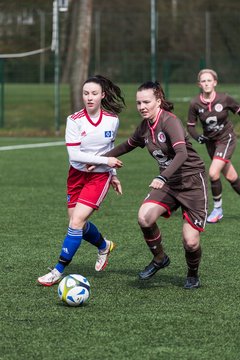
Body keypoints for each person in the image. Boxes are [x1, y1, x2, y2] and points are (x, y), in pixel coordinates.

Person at [102, 81, 208, 289]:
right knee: (144, 217)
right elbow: (127, 145)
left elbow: (182, 153)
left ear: (158, 101)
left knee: (191, 242)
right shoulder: (144, 127)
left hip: (191, 182)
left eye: (146, 102)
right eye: (138, 103)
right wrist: (99, 159)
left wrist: (162, 177)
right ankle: (160, 258)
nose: (142, 106)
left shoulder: (170, 122)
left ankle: (192, 274)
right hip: (169, 184)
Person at [37, 75, 125, 286]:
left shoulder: (112, 120)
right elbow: (75, 156)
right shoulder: (74, 120)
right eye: (86, 94)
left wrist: (113, 175)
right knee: (77, 223)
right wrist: (105, 160)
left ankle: (57, 271)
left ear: (103, 95)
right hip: (76, 175)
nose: (89, 97)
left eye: (94, 93)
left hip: (99, 176)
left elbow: (109, 150)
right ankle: (104, 246)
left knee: (76, 222)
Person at [187, 69, 240, 223]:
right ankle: (218, 210)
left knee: (213, 173)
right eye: (203, 81)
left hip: (226, 139)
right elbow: (190, 126)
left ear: (215, 82)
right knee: (231, 177)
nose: (207, 83)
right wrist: (198, 137)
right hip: (211, 144)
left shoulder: (225, 98)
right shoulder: (195, 103)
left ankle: (217, 210)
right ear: (199, 84)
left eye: (209, 80)